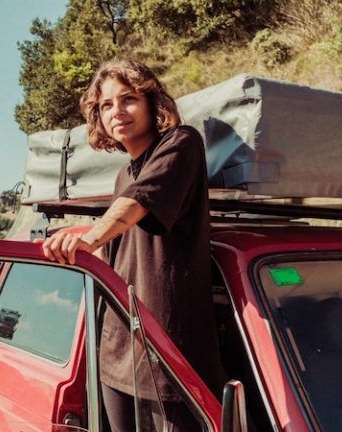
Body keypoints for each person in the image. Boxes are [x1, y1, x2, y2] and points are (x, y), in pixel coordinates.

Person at [38, 59, 224, 431]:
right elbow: (121, 243)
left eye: (128, 99)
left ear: (153, 103)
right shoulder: (124, 173)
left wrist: (90, 236)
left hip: (170, 355)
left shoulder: (181, 143)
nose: (116, 112)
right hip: (116, 350)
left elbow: (138, 203)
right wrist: (82, 236)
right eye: (106, 105)